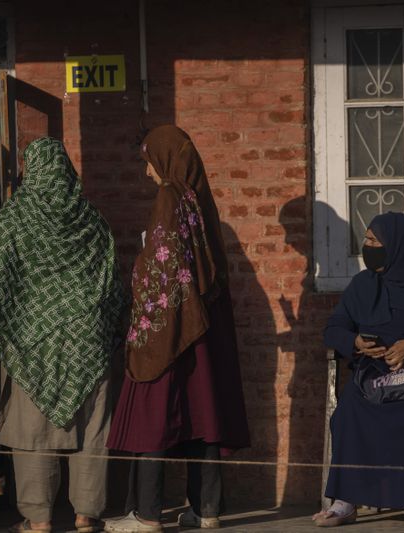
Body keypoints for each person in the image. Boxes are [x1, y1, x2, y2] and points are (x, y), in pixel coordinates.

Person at [0, 137, 125, 533]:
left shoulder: (15, 218)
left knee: (33, 431)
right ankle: (86, 516)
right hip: (87, 342)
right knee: (91, 431)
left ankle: (38, 519)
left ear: (31, 171)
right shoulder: (92, 219)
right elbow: (114, 286)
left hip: (31, 346)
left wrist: (9, 330)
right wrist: (95, 324)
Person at [105, 126, 250, 533]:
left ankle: (147, 514)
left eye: (150, 162)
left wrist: (144, 329)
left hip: (171, 327)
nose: (148, 173)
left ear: (164, 160)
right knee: (201, 413)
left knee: (152, 412)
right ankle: (206, 510)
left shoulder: (169, 196)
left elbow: (161, 267)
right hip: (201, 328)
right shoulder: (199, 200)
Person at [313, 212, 404, 527]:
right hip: (372, 377)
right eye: (366, 240)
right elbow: (333, 329)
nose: (367, 246)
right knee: (349, 411)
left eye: (373, 241)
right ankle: (345, 500)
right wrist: (356, 342)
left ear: (399, 246)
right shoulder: (364, 284)